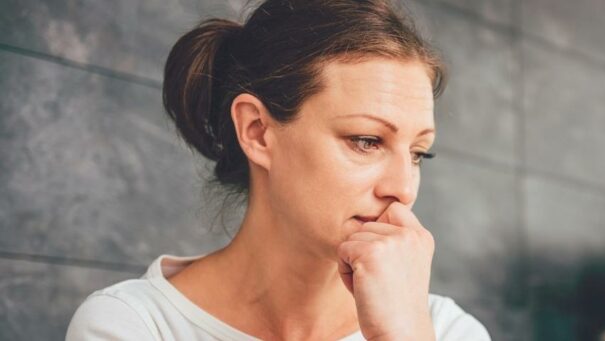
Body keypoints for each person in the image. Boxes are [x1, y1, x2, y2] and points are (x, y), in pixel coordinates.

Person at [66, 0, 490, 339]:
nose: (403, 189)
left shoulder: (446, 330)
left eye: (418, 153)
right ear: (257, 131)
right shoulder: (132, 326)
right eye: (366, 140)